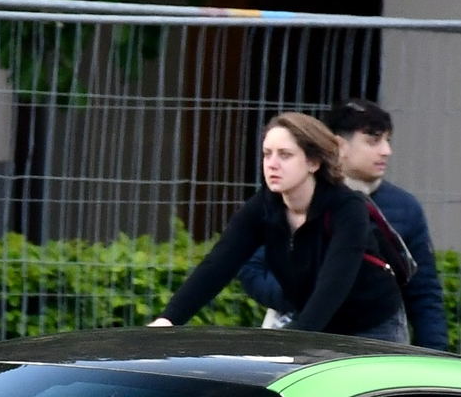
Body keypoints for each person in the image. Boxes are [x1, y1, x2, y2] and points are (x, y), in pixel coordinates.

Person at [150, 113, 406, 335]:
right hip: (311, 321)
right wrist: (169, 319)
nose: (272, 164)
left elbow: (335, 282)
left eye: (285, 155)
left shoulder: (347, 208)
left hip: (371, 325)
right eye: (266, 154)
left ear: (313, 162)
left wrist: (298, 337)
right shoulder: (264, 205)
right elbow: (219, 264)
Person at [237, 98, 446, 348]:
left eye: (387, 140)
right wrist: (304, 299)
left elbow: (423, 292)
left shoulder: (404, 207)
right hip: (301, 327)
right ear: (339, 145)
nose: (385, 151)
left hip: (371, 334)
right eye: (372, 141)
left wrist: (434, 355)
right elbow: (252, 268)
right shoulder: (292, 195)